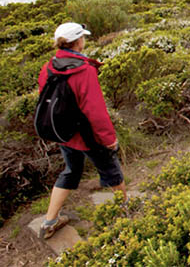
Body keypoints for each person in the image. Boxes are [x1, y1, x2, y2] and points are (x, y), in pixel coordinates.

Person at [37, 22, 126, 240]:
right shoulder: (83, 70)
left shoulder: (49, 66)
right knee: (112, 170)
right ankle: (127, 214)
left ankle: (49, 221)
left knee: (71, 171)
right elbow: (95, 111)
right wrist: (109, 139)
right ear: (78, 41)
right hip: (86, 135)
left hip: (65, 134)